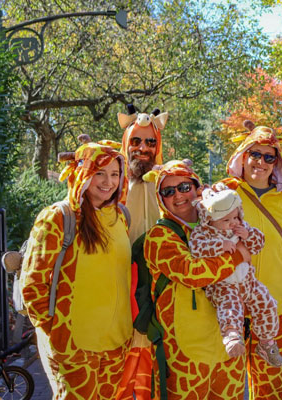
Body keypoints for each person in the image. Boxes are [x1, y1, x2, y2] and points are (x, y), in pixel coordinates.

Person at [21, 138, 132, 399]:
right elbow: (33, 284)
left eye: (115, 174)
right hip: (74, 348)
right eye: (99, 173)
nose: (108, 182)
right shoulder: (58, 217)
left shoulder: (121, 216)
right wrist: (57, 335)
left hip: (117, 344)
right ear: (83, 172)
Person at [142, 159, 250, 399]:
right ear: (160, 198)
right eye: (168, 191)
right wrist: (238, 256)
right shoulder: (160, 235)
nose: (178, 195)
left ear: (197, 188)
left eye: (184, 187)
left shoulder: (221, 222)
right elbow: (192, 274)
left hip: (228, 347)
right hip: (183, 354)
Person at [220, 121, 282, 399]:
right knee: (228, 384)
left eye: (269, 157)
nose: (261, 162)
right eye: (254, 154)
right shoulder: (223, 192)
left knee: (270, 386)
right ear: (243, 156)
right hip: (230, 309)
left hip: (278, 306)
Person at [189, 184, 282, 366]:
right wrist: (219, 246)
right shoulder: (204, 232)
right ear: (210, 220)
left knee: (267, 302)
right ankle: (232, 336)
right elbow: (196, 248)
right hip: (224, 284)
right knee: (230, 307)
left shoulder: (241, 227)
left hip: (249, 281)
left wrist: (247, 235)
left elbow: (259, 244)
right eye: (226, 220)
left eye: (235, 217)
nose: (233, 223)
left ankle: (267, 343)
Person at [117, 104, 168, 399]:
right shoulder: (111, 182)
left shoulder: (169, 182)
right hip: (121, 297)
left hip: (160, 300)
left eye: (150, 142)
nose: (143, 148)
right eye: (136, 141)